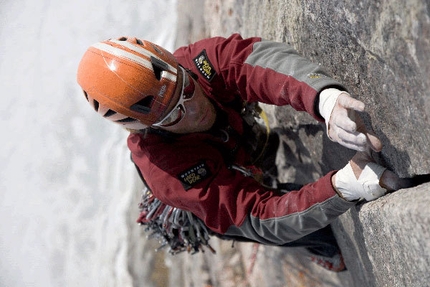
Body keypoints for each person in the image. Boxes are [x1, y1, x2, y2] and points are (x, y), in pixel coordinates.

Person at [76, 34, 404, 272]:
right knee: (318, 233)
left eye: (186, 90)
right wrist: (342, 186)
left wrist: (325, 99)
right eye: (172, 115)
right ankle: (325, 251)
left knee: (253, 144)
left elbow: (256, 65)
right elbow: (257, 217)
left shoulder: (196, 62)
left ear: (180, 68)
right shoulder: (169, 172)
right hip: (199, 189)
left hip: (229, 140)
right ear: (146, 128)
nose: (192, 110)